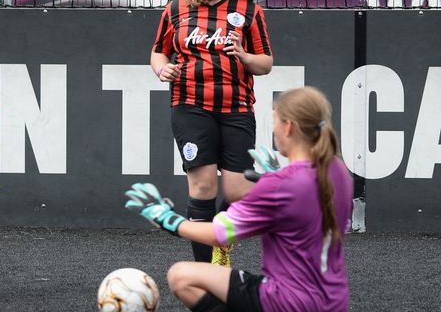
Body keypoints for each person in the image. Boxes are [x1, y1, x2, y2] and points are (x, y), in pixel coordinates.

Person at [125, 86, 353, 312]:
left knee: (181, 276)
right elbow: (305, 208)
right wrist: (274, 177)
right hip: (335, 302)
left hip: (287, 302)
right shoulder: (338, 171)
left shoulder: (279, 186)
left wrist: (167, 219)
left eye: (275, 122)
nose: (273, 130)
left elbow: (217, 234)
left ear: (289, 127)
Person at [150, 0, 273, 266]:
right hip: (190, 106)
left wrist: (245, 57)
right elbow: (158, 53)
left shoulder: (248, 11)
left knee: (239, 193)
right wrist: (162, 71)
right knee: (202, 189)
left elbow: (266, 63)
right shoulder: (177, 8)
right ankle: (206, 275)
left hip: (237, 108)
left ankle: (221, 239)